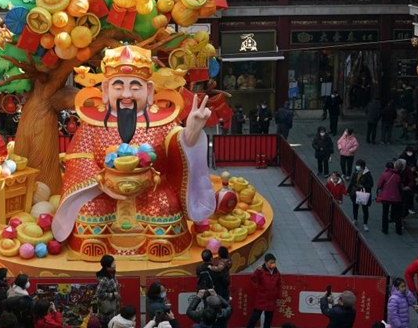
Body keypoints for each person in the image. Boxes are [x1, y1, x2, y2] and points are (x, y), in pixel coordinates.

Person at [52, 46, 216, 260]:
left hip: (152, 189)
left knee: (166, 207)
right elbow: (79, 159)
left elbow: (177, 148)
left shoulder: (163, 121)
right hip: (102, 191)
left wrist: (192, 131)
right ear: (105, 89)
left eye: (135, 87)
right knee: (90, 210)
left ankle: (160, 243)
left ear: (149, 90)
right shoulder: (92, 123)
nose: (127, 94)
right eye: (118, 87)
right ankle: (94, 244)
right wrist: (103, 183)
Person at [245, 253, 281, 328]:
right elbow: (254, 279)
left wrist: (278, 295)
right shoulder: (261, 271)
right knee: (255, 317)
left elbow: (279, 284)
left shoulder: (276, 272)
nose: (273, 264)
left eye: (274, 262)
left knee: (268, 320)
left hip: (271, 299)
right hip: (261, 298)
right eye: (271, 262)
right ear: (266, 262)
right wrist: (257, 271)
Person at [377, 161, 404, 235]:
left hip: (385, 197)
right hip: (396, 198)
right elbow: (400, 187)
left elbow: (379, 185)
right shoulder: (397, 176)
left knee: (385, 214)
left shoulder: (384, 175)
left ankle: (385, 229)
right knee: (397, 215)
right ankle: (399, 230)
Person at [348, 159, 373, 232]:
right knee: (355, 206)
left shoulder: (367, 174)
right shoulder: (356, 172)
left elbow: (371, 184)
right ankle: (355, 219)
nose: (357, 167)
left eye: (358, 166)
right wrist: (348, 191)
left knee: (365, 208)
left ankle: (365, 223)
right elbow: (352, 182)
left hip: (364, 193)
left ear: (363, 166)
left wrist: (363, 186)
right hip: (355, 192)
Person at [96, 255, 120, 328]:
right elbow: (99, 294)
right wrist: (112, 295)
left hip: (114, 309)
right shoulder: (104, 280)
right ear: (107, 266)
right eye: (112, 263)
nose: (114, 264)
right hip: (107, 313)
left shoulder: (111, 273)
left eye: (114, 262)